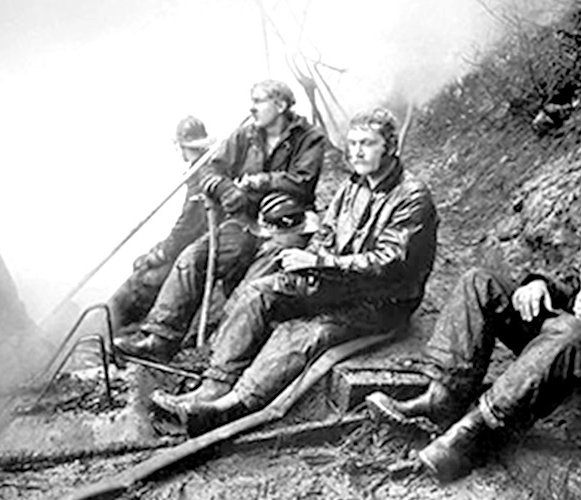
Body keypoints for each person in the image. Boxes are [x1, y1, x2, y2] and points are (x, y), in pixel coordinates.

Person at [366, 164, 581, 482]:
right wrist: (540, 284)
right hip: (574, 346)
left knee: (572, 330)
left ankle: (472, 437)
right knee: (481, 283)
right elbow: (574, 283)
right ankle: (443, 397)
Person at [149, 107, 439, 437]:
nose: (357, 151)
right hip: (339, 282)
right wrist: (310, 257)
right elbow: (326, 235)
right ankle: (213, 387)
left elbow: (389, 263)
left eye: (368, 144)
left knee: (304, 332)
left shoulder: (413, 197)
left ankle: (231, 407)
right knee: (259, 291)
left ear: (390, 148)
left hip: (382, 301)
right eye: (353, 143)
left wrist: (319, 265)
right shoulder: (351, 187)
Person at [113, 80, 326, 363]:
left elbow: (303, 182)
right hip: (245, 223)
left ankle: (224, 357)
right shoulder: (245, 135)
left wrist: (260, 181)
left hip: (288, 228)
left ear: (281, 105)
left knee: (252, 289)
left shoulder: (310, 138)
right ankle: (161, 338)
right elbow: (211, 169)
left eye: (259, 100)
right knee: (192, 258)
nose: (252, 107)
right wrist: (225, 189)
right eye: (252, 99)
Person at [107, 115, 215, 335]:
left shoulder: (203, 173)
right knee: (143, 269)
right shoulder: (201, 169)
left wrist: (159, 254)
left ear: (181, 146)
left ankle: (103, 335)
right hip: (194, 244)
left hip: (201, 248)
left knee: (141, 281)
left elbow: (189, 227)